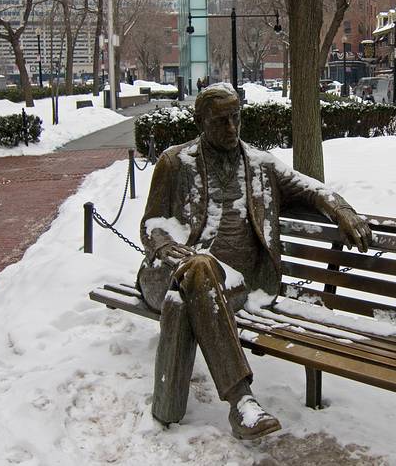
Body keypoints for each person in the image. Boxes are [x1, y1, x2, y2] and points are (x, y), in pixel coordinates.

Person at [137, 83, 371, 440]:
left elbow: (309, 188)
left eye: (236, 119)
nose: (231, 128)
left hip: (235, 284)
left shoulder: (261, 165)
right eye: (220, 121)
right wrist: (165, 244)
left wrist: (341, 209)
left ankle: (170, 407)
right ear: (201, 121)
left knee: (183, 303)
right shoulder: (174, 162)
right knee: (197, 269)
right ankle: (241, 401)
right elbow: (152, 222)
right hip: (168, 272)